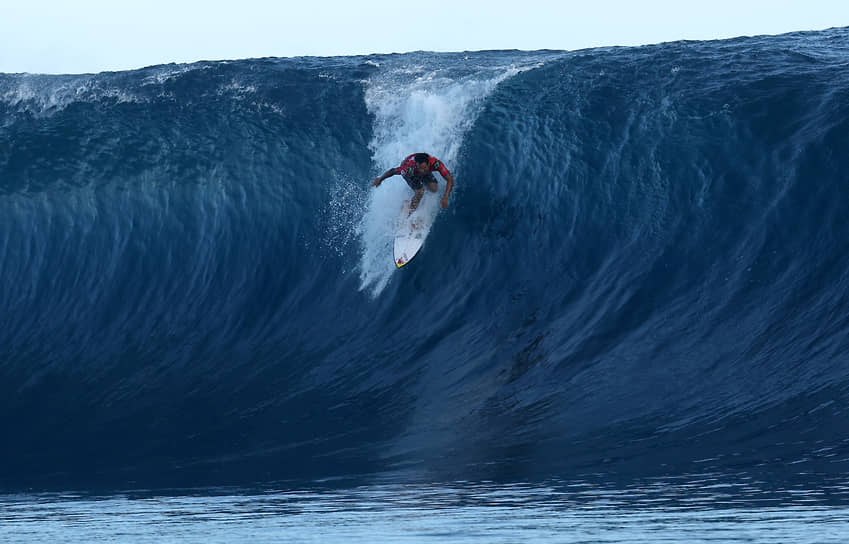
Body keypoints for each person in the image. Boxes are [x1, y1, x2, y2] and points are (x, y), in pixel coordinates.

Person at [372, 153, 455, 213]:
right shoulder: (410, 168)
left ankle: (413, 200)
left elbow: (450, 180)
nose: (422, 171)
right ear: (417, 165)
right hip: (411, 173)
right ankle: (410, 213)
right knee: (420, 192)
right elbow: (393, 171)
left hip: (420, 166)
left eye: (424, 168)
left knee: (434, 189)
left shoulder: (436, 163)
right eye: (420, 168)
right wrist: (380, 179)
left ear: (429, 164)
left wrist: (446, 197)